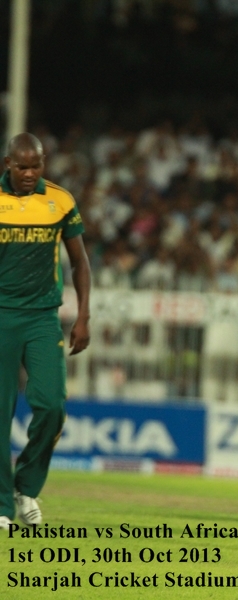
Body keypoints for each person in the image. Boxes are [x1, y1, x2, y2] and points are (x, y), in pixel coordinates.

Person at [0, 134, 92, 531]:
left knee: (52, 405)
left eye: (35, 166)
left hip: (42, 317)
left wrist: (84, 315)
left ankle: (27, 488)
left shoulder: (61, 200)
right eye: (22, 167)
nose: (29, 173)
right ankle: (3, 507)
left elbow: (81, 263)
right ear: (8, 164)